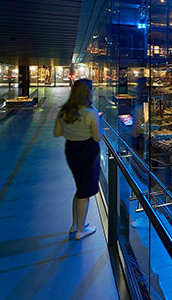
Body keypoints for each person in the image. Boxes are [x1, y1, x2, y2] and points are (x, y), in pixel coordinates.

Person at [53, 79, 101, 240]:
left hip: (71, 151)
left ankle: (75, 224)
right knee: (85, 192)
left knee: (79, 187)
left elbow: (57, 133)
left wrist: (72, 130)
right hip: (88, 153)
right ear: (88, 92)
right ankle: (81, 230)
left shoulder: (65, 111)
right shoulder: (91, 112)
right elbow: (96, 137)